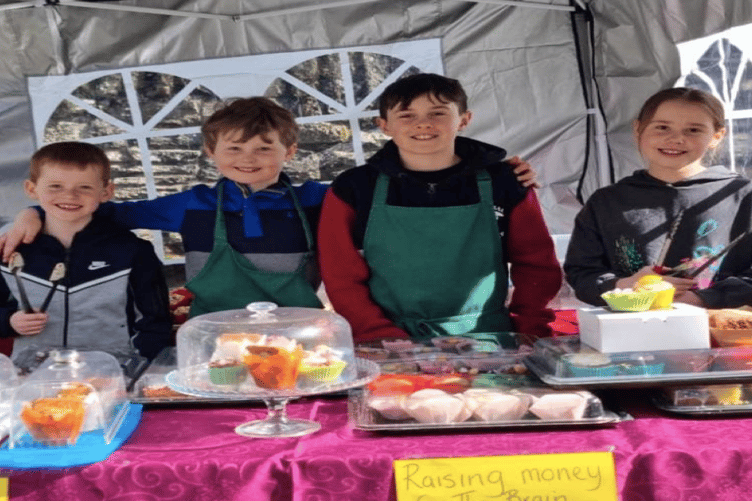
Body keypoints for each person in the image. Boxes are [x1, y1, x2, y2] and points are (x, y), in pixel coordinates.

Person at [1, 96, 540, 317]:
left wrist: (495, 169)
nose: (249, 158)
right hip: (211, 331)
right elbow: (92, 205)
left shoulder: (320, 199)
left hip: (303, 330)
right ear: (211, 153)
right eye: (233, 148)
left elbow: (407, 179)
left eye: (265, 148)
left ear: (291, 151)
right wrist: (27, 215)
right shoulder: (189, 205)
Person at [317, 73, 562, 348]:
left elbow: (536, 263)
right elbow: (340, 276)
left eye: (438, 113)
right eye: (406, 115)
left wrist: (528, 325)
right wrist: (377, 333)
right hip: (388, 343)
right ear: (384, 125)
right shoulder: (353, 188)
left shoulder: (505, 181)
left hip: (489, 339)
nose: (423, 123)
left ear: (464, 119)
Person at [564, 87, 752, 307]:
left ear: (717, 136)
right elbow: (582, 273)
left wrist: (698, 299)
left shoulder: (742, 196)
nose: (676, 139)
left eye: (693, 130)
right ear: (638, 129)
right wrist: (627, 284)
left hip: (722, 333)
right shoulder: (606, 202)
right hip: (632, 330)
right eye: (662, 127)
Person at [0, 142, 172, 360]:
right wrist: (9, 321)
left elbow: (155, 322)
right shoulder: (8, 247)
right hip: (33, 376)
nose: (70, 195)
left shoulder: (133, 251)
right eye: (55, 186)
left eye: (84, 187)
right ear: (31, 189)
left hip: (112, 377)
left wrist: (135, 369)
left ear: (106, 192)